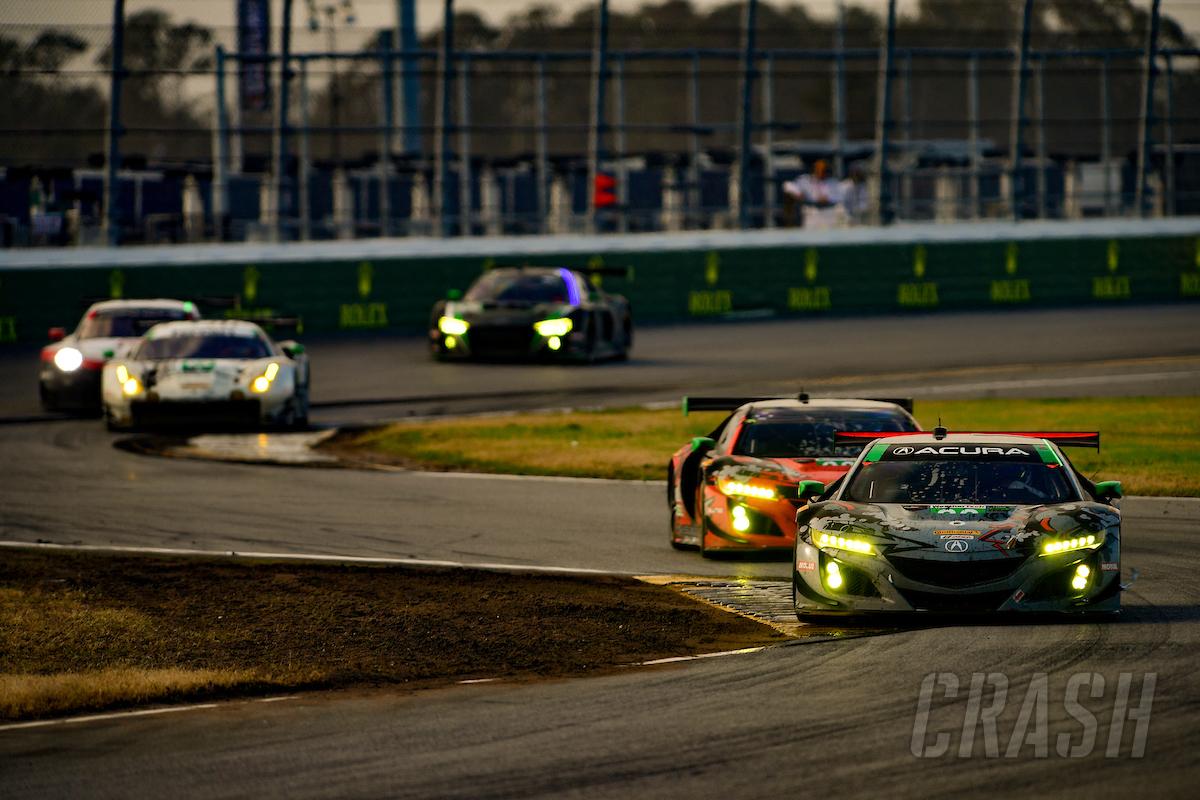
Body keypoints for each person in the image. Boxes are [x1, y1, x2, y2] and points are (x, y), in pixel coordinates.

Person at [782, 160, 841, 229]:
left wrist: (828, 199)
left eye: (823, 170)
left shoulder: (832, 182)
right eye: (818, 169)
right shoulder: (805, 180)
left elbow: (839, 197)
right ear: (814, 169)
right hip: (812, 211)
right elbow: (787, 185)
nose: (821, 172)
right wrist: (797, 194)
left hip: (828, 212)